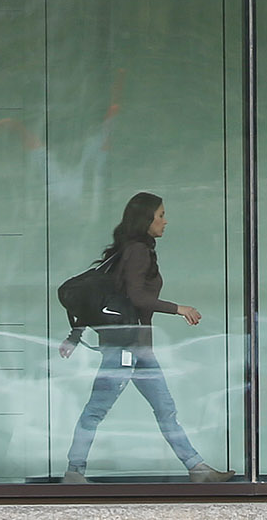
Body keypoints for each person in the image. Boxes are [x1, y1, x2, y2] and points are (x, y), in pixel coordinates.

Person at [61, 192, 228, 483]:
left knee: (165, 409)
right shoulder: (137, 251)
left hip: (138, 350)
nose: (165, 221)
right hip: (125, 349)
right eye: (160, 215)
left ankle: (198, 469)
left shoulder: (127, 251)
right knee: (96, 410)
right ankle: (74, 472)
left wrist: (74, 336)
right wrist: (180, 309)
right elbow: (136, 297)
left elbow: (107, 298)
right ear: (146, 219)